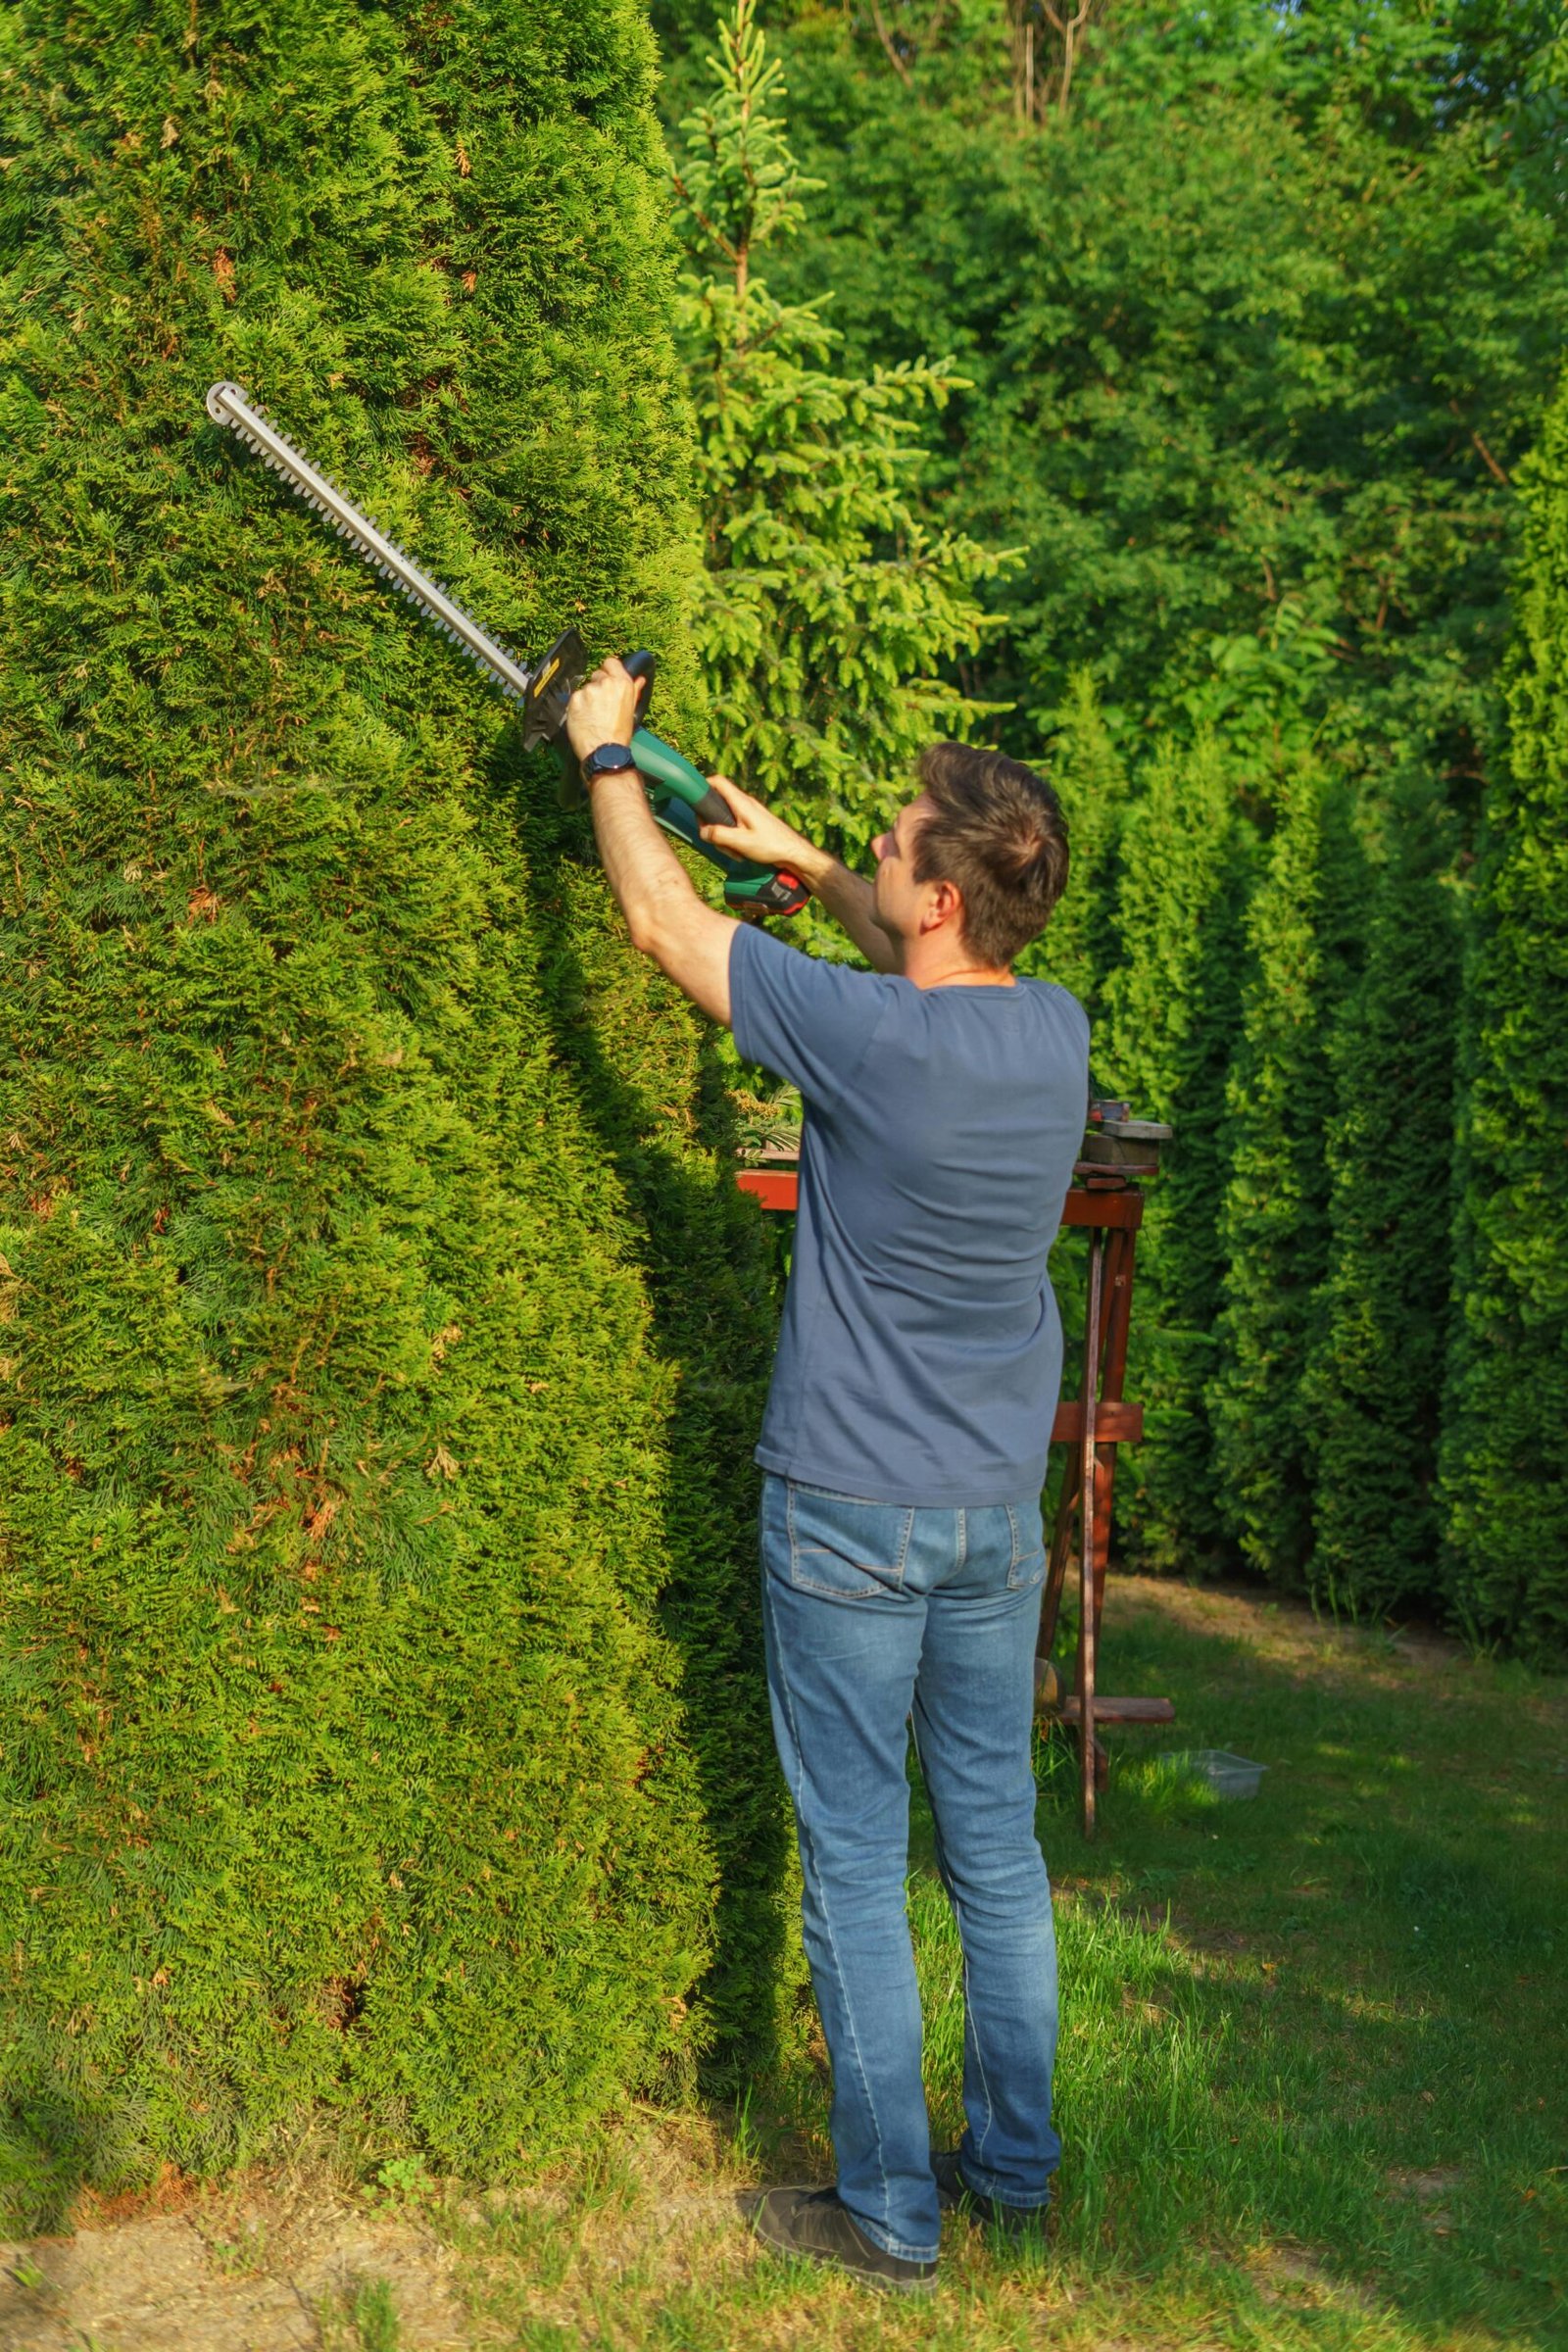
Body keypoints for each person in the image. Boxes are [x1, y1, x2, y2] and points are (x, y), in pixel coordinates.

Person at [564, 660, 1090, 2297]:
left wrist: (600, 758)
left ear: (940, 898)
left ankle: (887, 2215)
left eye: (892, 842)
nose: (877, 844)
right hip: (994, 1515)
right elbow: (922, 971)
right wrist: (809, 870)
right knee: (992, 1849)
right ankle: (1013, 2170)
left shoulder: (865, 1037)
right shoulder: (1047, 1033)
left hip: (852, 1510)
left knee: (858, 1859)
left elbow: (660, 929)